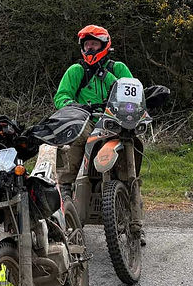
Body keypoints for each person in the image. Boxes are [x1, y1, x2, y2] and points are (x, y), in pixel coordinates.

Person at [52, 25, 133, 191]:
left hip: (116, 120)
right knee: (75, 134)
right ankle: (65, 186)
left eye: (94, 44)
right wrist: (75, 106)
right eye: (87, 44)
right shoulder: (76, 70)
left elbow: (131, 94)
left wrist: (106, 76)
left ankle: (130, 184)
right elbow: (61, 96)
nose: (90, 47)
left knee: (132, 138)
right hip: (88, 121)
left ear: (104, 45)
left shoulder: (118, 68)